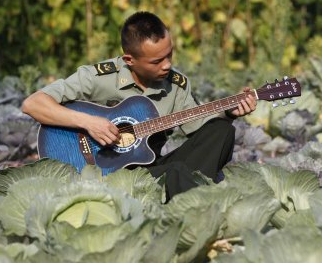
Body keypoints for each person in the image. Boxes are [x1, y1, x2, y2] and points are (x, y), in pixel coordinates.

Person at [21, 11, 257, 200]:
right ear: (129, 60)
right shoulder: (98, 77)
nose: (167, 65)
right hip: (100, 177)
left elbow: (199, 130)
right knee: (176, 174)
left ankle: (189, 197)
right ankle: (190, 195)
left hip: (148, 171)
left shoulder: (176, 85)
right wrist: (89, 123)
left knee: (222, 131)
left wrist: (229, 112)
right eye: (157, 61)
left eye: (169, 55)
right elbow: (33, 104)